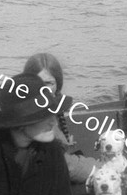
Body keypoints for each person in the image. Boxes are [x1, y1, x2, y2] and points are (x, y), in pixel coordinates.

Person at [23, 53, 96, 184]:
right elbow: (60, 163)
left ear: (57, 85)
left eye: (49, 83)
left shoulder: (51, 111)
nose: (43, 89)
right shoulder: (21, 113)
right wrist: (102, 169)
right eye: (37, 83)